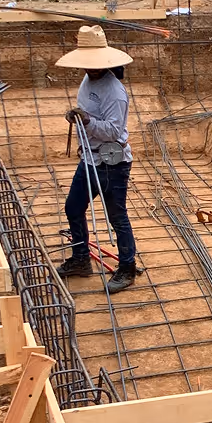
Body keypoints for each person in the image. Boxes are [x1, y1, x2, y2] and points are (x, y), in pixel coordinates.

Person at [53, 25, 138, 294]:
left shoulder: (114, 92)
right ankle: (81, 259)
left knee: (117, 217)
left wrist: (87, 120)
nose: (89, 68)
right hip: (90, 159)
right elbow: (87, 112)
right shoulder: (87, 81)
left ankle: (127, 267)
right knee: (72, 207)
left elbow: (113, 130)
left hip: (113, 164)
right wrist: (77, 116)